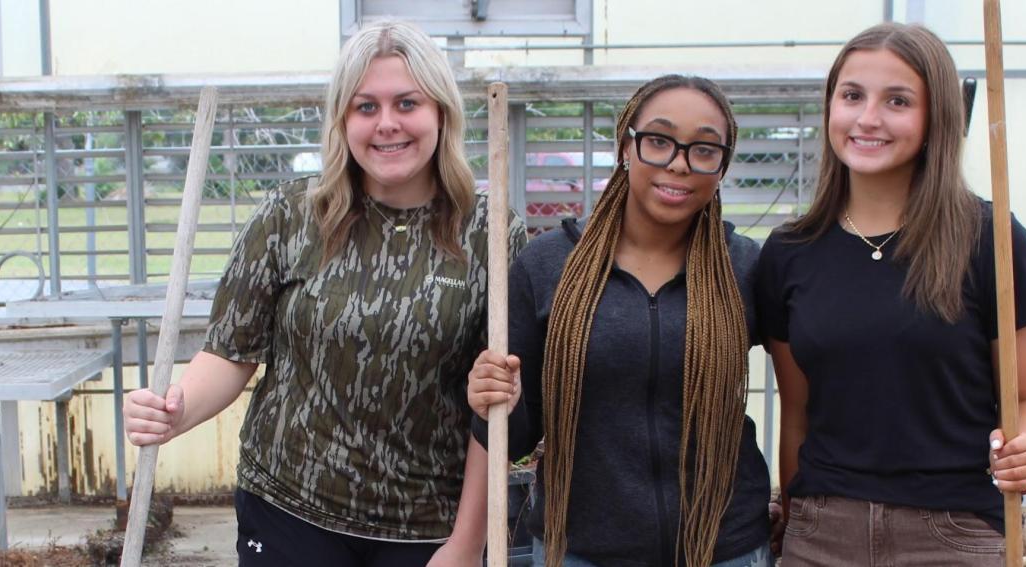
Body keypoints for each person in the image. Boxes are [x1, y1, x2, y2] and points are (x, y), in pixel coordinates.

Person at [121, 19, 522, 566]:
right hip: (289, 507)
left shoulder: (491, 233)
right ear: (341, 119)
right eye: (366, 107)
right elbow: (230, 351)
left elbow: (493, 407)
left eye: (407, 104)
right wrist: (174, 409)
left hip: (429, 522)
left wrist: (467, 544)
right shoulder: (291, 215)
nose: (387, 124)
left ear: (441, 113)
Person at [751, 23, 1026, 565]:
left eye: (897, 100)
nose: (868, 118)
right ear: (830, 108)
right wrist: (795, 519)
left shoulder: (991, 240)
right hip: (822, 534)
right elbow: (796, 413)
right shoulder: (789, 251)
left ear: (936, 117)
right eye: (852, 96)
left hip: (954, 532)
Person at [467, 74, 773, 567]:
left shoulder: (747, 268)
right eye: (658, 141)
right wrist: (495, 399)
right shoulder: (549, 266)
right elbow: (513, 437)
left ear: (722, 167)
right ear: (625, 146)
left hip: (724, 550)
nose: (678, 163)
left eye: (704, 150)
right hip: (582, 551)